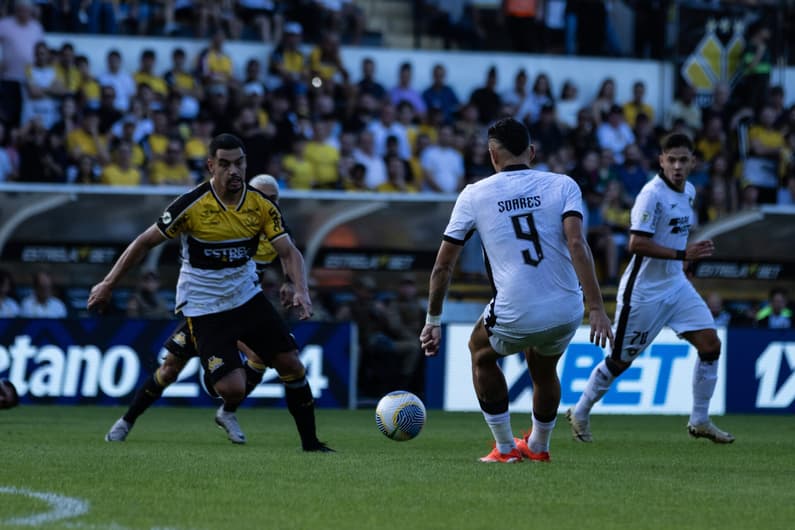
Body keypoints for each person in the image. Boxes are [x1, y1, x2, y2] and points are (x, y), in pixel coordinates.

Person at [90, 137, 332, 452]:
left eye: (240, 163)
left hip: (246, 299)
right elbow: (143, 242)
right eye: (226, 163)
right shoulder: (191, 205)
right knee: (224, 386)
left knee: (291, 364)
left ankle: (311, 444)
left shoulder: (261, 207)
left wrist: (300, 288)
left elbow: (290, 252)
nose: (234, 170)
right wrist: (108, 283)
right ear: (211, 165)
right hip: (204, 308)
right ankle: (131, 418)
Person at [420, 118, 613, 463]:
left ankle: (505, 448)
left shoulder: (474, 194)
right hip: (568, 307)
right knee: (543, 369)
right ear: (532, 152)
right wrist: (596, 307)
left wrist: (433, 319)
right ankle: (539, 446)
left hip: (517, 307)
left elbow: (443, 266)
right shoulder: (563, 184)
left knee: (480, 351)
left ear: (492, 155)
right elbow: (577, 243)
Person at [104, 173, 300, 443]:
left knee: (259, 356)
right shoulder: (233, 223)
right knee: (170, 369)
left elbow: (291, 256)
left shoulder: (274, 226)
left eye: (274, 198)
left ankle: (228, 410)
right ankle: (126, 421)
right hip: (205, 311)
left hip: (240, 310)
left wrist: (291, 282)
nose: (270, 201)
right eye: (265, 196)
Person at [568, 133, 735, 445]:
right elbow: (637, 243)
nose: (677, 166)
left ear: (693, 162)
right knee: (619, 361)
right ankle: (580, 410)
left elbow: (675, 234)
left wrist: (684, 261)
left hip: (676, 284)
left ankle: (700, 420)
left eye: (683, 160)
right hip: (644, 292)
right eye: (671, 160)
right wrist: (684, 254)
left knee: (711, 345)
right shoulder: (651, 195)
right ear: (661, 161)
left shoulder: (690, 192)